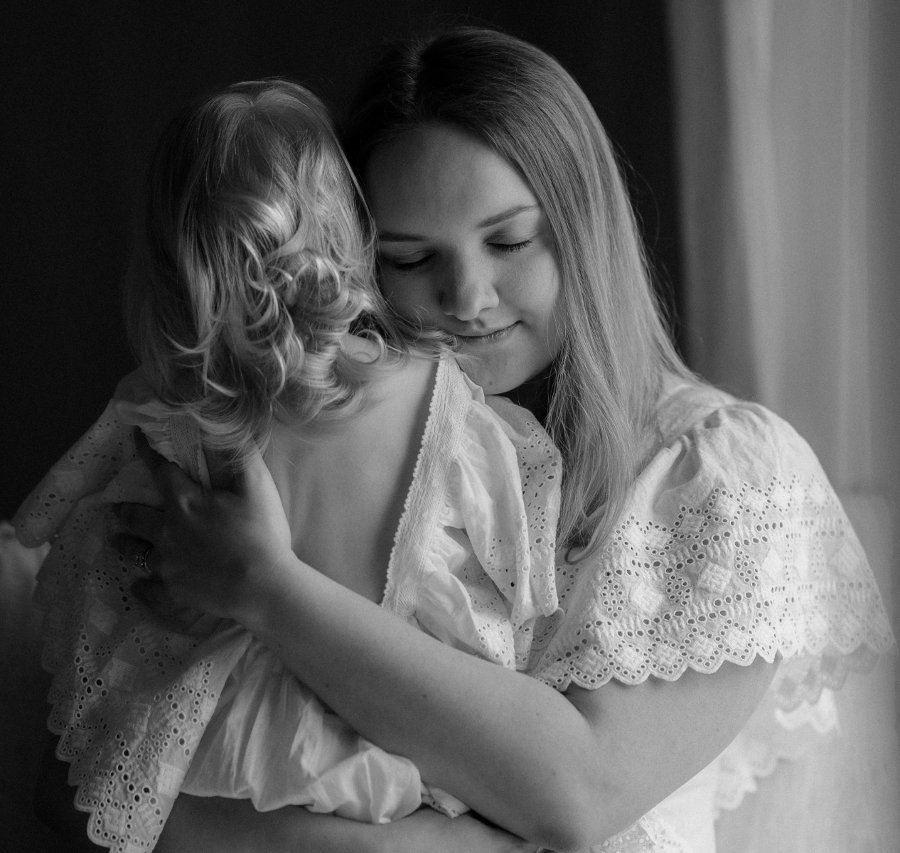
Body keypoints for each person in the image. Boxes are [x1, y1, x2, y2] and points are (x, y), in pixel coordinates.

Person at [42, 27, 898, 853]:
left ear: (585, 228)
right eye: (411, 259)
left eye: (510, 240)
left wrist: (267, 586)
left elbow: (577, 793)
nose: (466, 295)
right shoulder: (260, 448)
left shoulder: (723, 473)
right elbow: (107, 789)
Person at [14, 78, 564, 852]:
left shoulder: (168, 418)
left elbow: (45, 524)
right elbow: (518, 601)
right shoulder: (457, 414)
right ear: (357, 234)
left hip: (217, 767)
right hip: (389, 774)